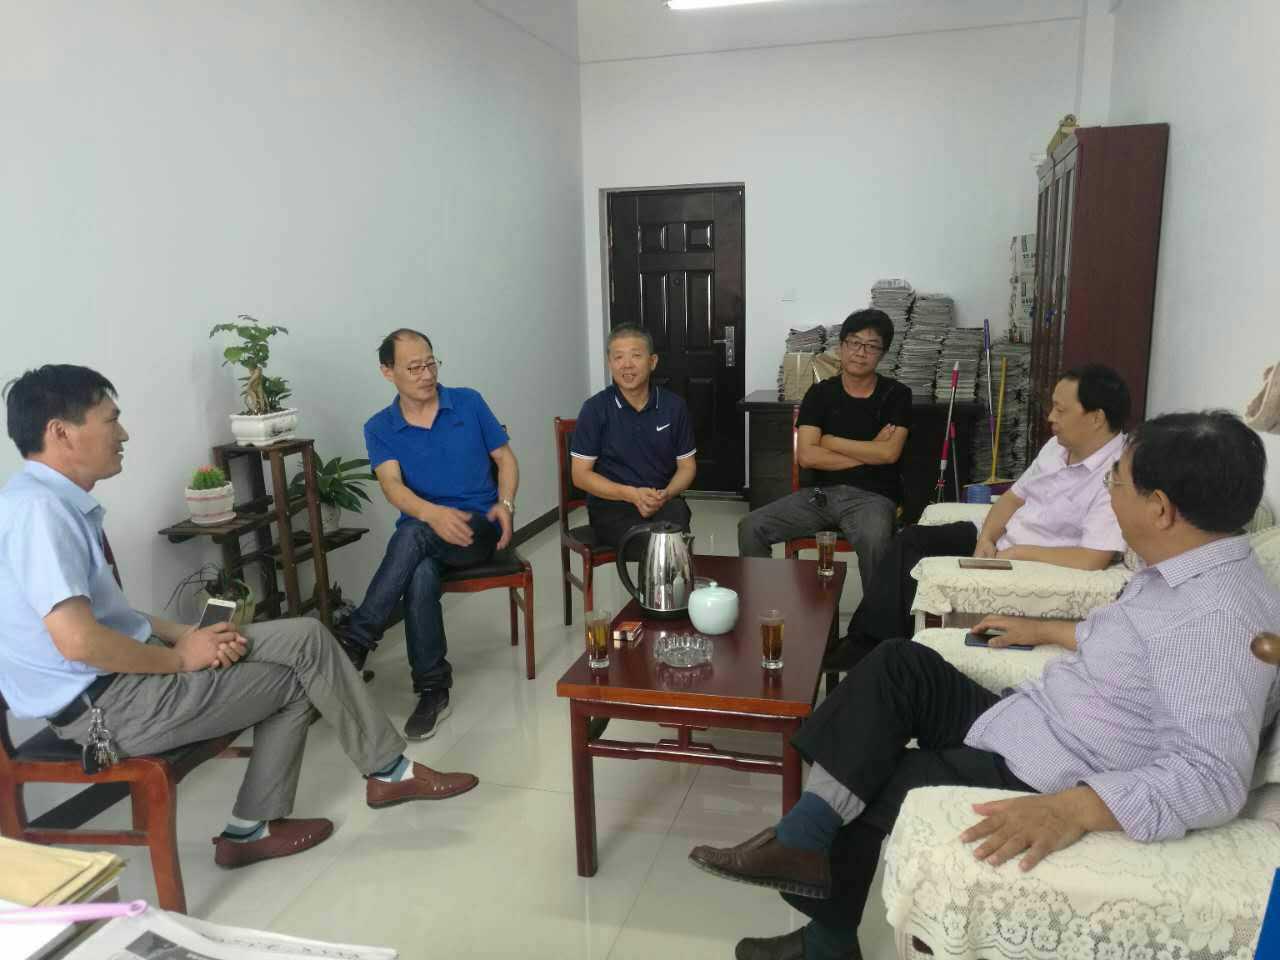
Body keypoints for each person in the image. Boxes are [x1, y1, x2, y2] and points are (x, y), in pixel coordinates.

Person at [689, 410, 1280, 960]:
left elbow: (1211, 777)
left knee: (872, 777)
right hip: (1036, 718)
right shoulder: (1180, 572)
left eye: (1116, 483)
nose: (1109, 493)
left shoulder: (1215, 621)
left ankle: (825, 937)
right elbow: (1131, 647)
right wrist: (1041, 628)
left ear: (1161, 509)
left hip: (1052, 766)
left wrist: (1075, 808)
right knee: (899, 664)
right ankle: (801, 839)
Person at [0, 366, 478, 872]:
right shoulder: (41, 515)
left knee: (308, 637)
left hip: (127, 679)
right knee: (298, 678)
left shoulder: (41, 502)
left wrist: (182, 633)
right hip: (111, 708)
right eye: (110, 420)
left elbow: (97, 614)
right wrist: (181, 659)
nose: (123, 434)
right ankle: (257, 826)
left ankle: (384, 774)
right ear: (60, 432)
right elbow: (78, 641)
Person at [831, 363, 1131, 668]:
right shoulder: (1058, 446)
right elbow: (1012, 498)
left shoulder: (1117, 474)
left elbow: (1093, 558)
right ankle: (869, 643)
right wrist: (987, 537)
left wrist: (1019, 553)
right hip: (1000, 543)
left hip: (1024, 563)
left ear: (1096, 418)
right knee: (911, 540)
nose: (1051, 417)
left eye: (1061, 410)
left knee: (917, 566)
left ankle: (872, 651)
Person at [335, 329, 519, 740]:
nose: (427, 374)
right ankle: (433, 689)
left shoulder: (468, 402)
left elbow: (505, 458)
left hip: (476, 528)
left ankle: (357, 639)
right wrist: (433, 514)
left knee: (413, 538)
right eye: (414, 367)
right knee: (419, 569)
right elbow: (391, 485)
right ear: (388, 372)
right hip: (422, 534)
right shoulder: (380, 426)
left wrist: (505, 505)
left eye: (431, 363)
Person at [738, 309, 910, 591]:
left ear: (883, 353)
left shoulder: (896, 394)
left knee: (876, 540)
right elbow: (807, 456)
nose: (860, 352)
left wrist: (830, 442)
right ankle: (766, 602)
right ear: (841, 346)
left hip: (873, 498)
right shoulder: (820, 394)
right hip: (818, 497)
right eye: (854, 342)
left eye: (871, 346)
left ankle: (878, 619)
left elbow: (889, 454)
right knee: (751, 526)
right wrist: (871, 451)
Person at [570, 323, 697, 553]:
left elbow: (687, 467)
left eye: (636, 356)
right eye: (618, 357)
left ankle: (667, 576)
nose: (627, 364)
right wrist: (632, 495)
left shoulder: (674, 407)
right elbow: (580, 475)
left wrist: (665, 494)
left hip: (661, 501)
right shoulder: (595, 409)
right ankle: (654, 577)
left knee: (675, 526)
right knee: (657, 543)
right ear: (610, 363)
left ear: (653, 361)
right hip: (612, 507)